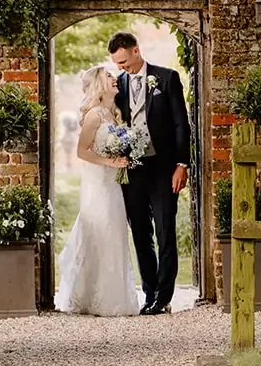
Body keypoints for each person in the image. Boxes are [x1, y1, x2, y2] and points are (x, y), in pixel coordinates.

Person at [111, 30, 191, 315]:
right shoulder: (116, 85)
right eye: (117, 64)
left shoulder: (166, 78)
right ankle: (149, 294)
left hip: (163, 167)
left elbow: (181, 123)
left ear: (136, 50)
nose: (122, 68)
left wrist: (182, 164)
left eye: (124, 61)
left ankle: (164, 296)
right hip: (132, 171)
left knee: (166, 230)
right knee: (141, 233)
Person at [54, 64, 140, 316]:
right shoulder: (94, 115)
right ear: (99, 85)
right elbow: (82, 151)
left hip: (113, 181)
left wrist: (123, 158)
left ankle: (115, 297)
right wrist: (110, 161)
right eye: (110, 77)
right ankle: (89, 295)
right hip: (98, 180)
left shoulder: (114, 113)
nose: (115, 80)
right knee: (99, 230)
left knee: (114, 231)